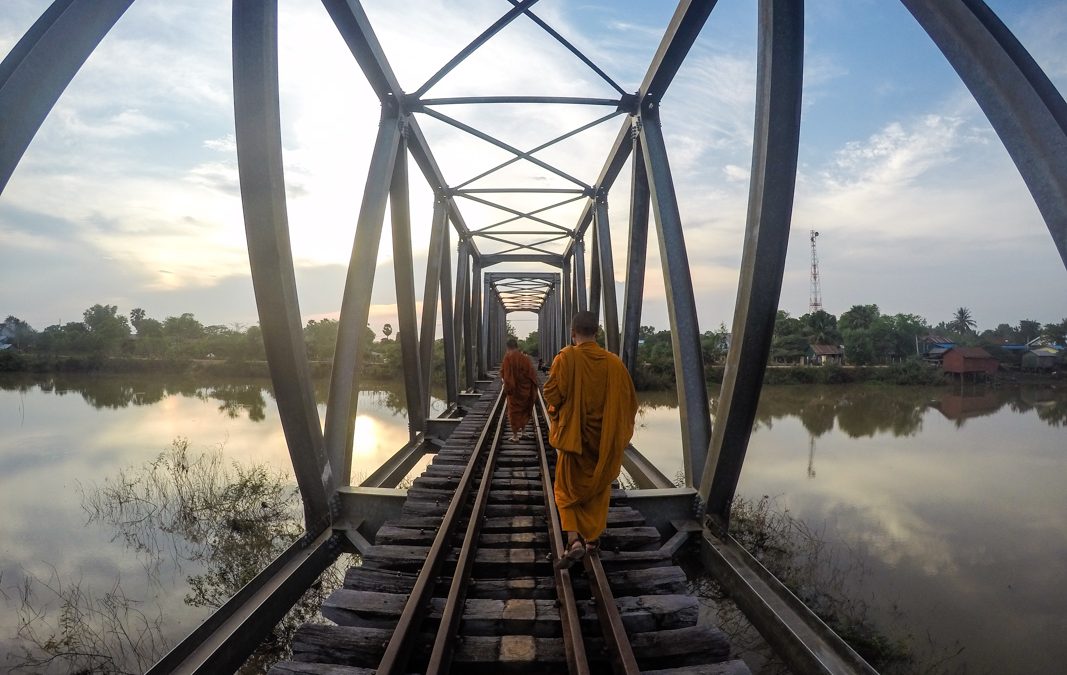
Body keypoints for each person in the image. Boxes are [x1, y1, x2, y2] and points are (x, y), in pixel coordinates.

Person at [544, 311, 638, 568]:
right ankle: (593, 540)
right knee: (597, 489)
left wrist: (561, 410)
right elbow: (630, 402)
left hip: (575, 440)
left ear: (573, 333)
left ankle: (574, 541)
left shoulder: (566, 358)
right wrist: (618, 432)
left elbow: (551, 394)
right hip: (603, 440)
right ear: (597, 333)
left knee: (566, 490)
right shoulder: (614, 363)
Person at [500, 337, 539, 441]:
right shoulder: (525, 358)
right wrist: (532, 387)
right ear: (517, 346)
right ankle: (524, 432)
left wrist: (507, 386)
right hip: (525, 390)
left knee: (514, 412)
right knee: (524, 410)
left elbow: (505, 375)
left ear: (508, 347)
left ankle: (515, 435)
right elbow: (532, 375)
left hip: (514, 392)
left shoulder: (507, 358)